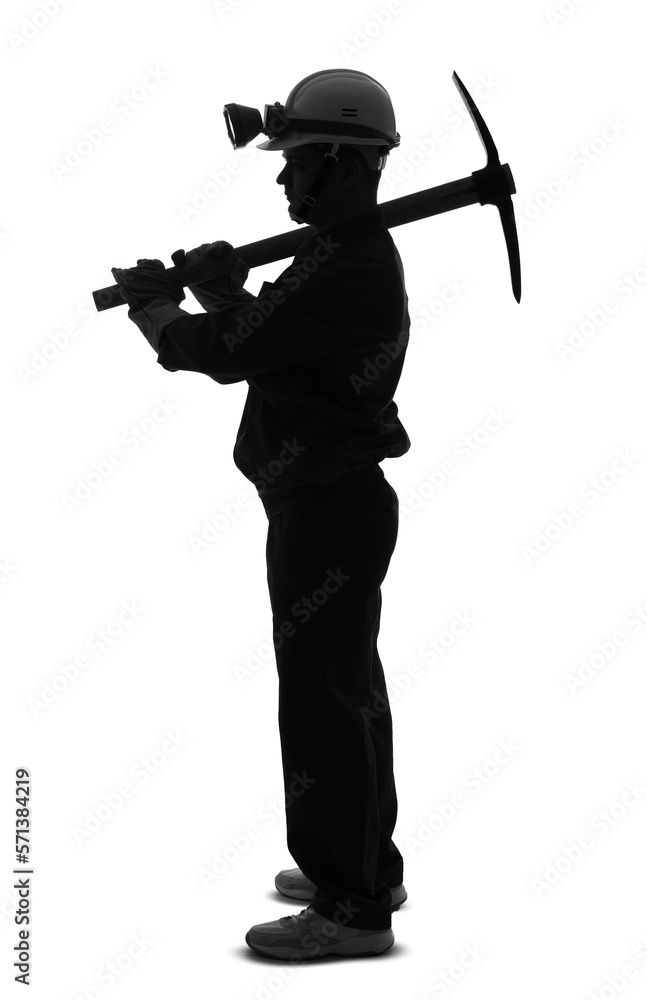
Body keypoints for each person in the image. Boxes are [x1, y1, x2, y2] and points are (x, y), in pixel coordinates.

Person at [111, 68, 411, 961]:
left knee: (322, 700)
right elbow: (278, 342)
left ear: (341, 165)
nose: (281, 181)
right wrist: (217, 286)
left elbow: (225, 354)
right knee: (346, 690)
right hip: (326, 500)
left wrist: (161, 307)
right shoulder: (336, 254)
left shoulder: (347, 263)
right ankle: (364, 866)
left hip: (327, 506)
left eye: (295, 164)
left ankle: (351, 907)